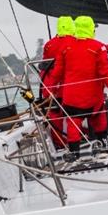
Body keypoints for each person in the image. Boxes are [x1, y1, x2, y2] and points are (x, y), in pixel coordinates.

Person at [51, 16, 108, 161]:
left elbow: (56, 73)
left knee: (73, 124)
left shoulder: (65, 47)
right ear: (91, 28)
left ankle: (75, 154)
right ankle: (103, 147)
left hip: (72, 96)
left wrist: (50, 90)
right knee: (99, 119)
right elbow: (104, 72)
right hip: (93, 95)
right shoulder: (98, 47)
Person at [39, 16, 75, 148]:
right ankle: (76, 141)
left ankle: (59, 143)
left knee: (55, 115)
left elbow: (44, 66)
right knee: (76, 114)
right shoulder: (74, 41)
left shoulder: (49, 44)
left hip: (51, 87)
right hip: (70, 87)